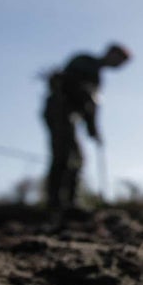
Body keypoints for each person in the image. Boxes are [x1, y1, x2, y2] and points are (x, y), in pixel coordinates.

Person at [43, 43, 131, 210]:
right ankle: (58, 203)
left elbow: (89, 106)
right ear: (112, 54)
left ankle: (67, 202)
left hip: (67, 115)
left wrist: (93, 129)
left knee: (73, 157)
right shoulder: (85, 62)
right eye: (120, 61)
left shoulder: (96, 74)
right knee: (65, 156)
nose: (119, 67)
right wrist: (92, 126)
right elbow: (81, 97)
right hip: (59, 112)